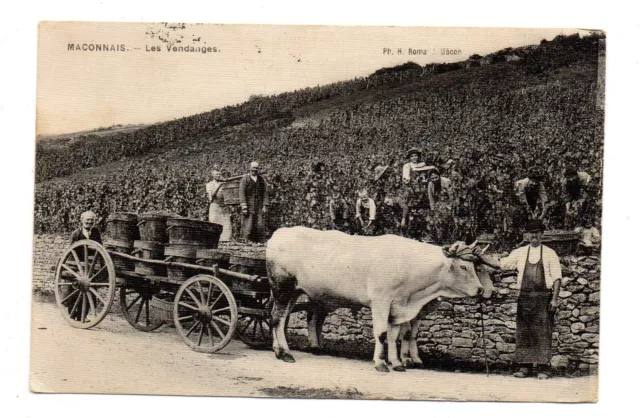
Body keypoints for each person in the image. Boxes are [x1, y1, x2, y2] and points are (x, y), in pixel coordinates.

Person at [476, 220, 562, 379]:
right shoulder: (520, 252)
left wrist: (554, 299)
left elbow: (557, 278)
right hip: (525, 297)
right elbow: (501, 264)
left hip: (544, 297)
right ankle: (525, 367)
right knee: (524, 331)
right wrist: (480, 257)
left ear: (542, 234)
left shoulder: (550, 253)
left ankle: (543, 367)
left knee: (543, 332)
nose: (534, 236)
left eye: (537, 232)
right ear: (527, 235)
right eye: (531, 233)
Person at [238, 161, 269, 242]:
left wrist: (265, 205)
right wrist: (244, 206)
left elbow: (265, 192)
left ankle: (259, 241)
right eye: (253, 168)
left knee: (259, 223)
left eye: (256, 168)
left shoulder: (261, 179)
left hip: (258, 205)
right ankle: (246, 240)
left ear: (258, 169)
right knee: (248, 223)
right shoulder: (245, 179)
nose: (254, 170)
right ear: (250, 168)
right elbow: (241, 193)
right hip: (249, 205)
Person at [205, 169, 232, 241]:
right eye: (217, 174)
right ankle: (214, 240)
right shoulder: (209, 184)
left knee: (226, 223)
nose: (218, 176)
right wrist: (218, 186)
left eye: (219, 174)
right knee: (214, 222)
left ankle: (225, 240)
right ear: (213, 176)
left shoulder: (224, 184)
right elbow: (211, 197)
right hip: (215, 205)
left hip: (224, 206)